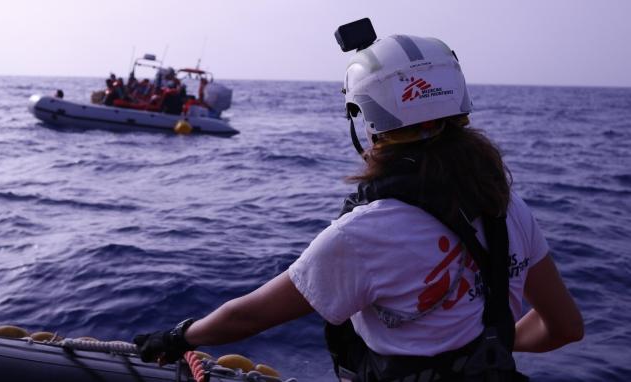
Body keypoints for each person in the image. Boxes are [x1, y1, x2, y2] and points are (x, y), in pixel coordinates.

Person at [133, 21, 583, 381]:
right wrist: (484, 344)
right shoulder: (509, 208)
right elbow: (564, 327)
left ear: (367, 121)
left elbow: (243, 319)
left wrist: (179, 336)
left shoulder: (366, 233)